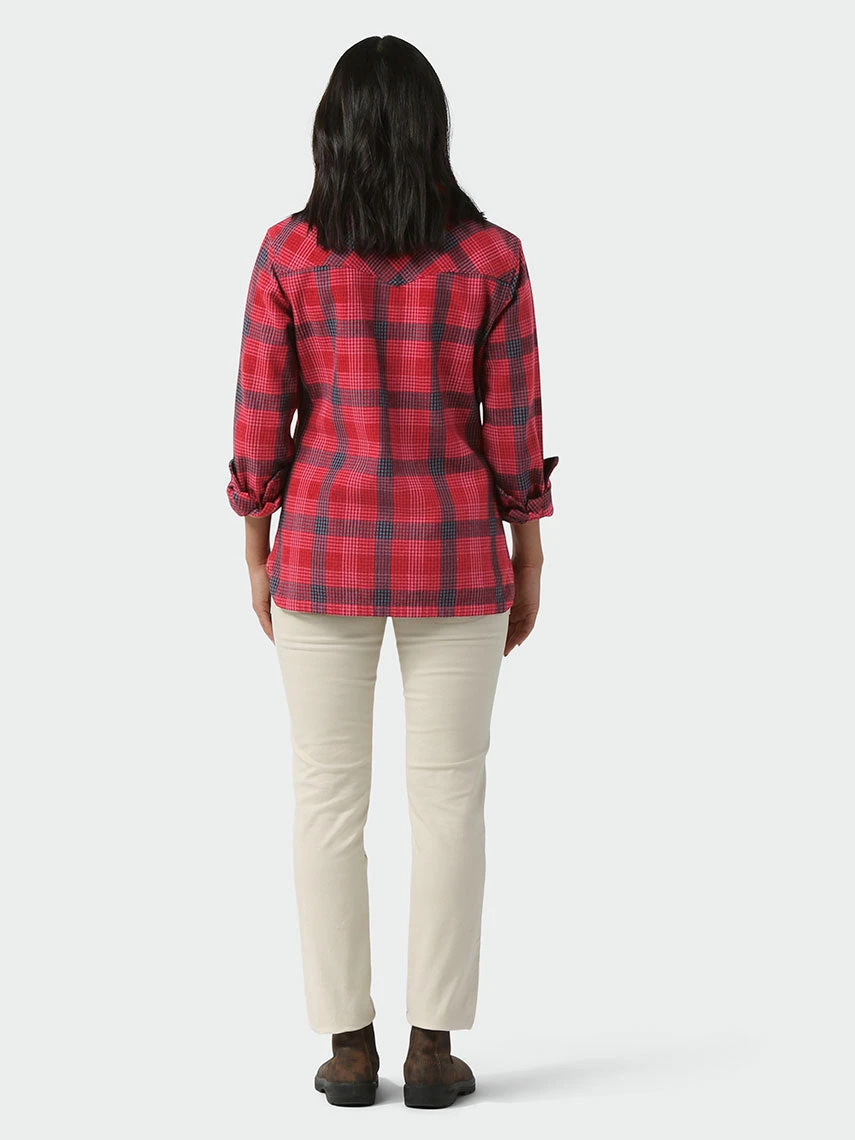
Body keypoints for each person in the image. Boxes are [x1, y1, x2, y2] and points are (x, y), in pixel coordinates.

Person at [226, 34, 559, 1109]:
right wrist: (528, 551)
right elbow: (513, 425)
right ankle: (430, 1049)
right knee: (449, 798)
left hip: (321, 550)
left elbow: (260, 415)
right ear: (432, 131)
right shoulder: (492, 260)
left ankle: (347, 1048)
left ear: (332, 134)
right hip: (456, 553)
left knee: (326, 798)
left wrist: (254, 543)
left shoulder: (288, 254)